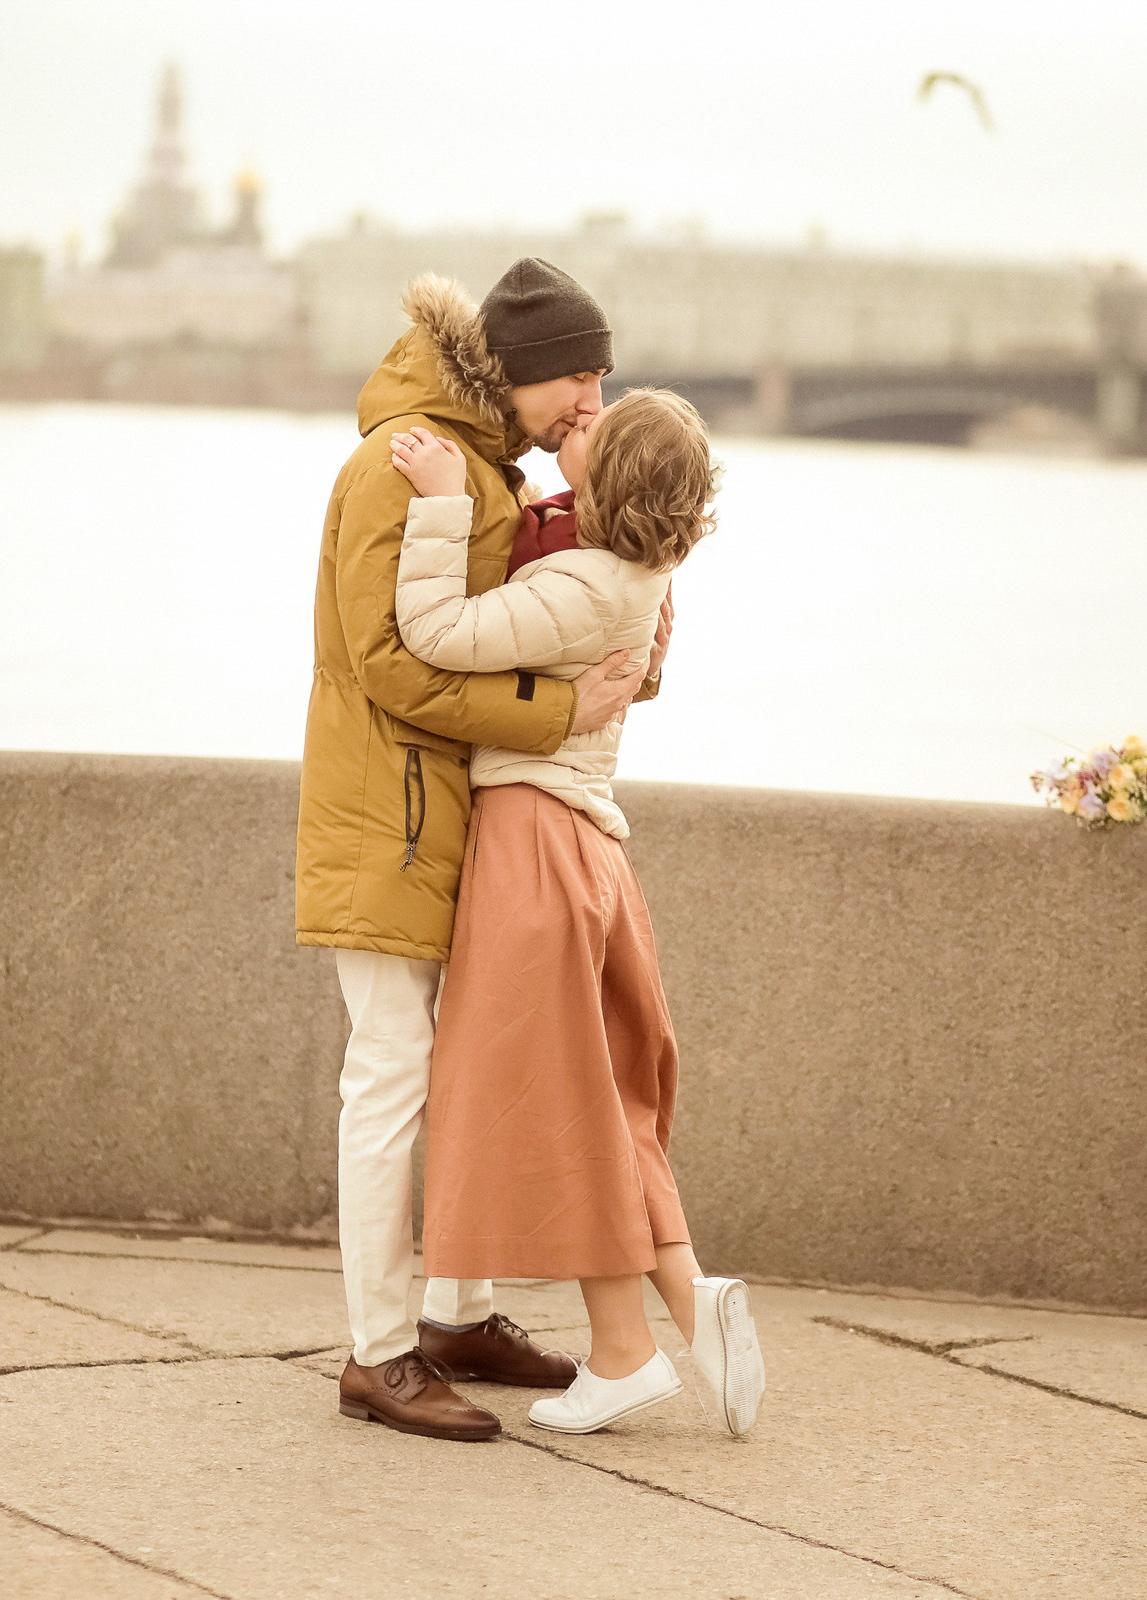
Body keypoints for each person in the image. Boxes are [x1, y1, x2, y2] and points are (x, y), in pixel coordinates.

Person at [297, 258, 648, 1444]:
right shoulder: (399, 462)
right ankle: (378, 1354)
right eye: (582, 379)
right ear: (524, 373)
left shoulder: (482, 466)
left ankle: (457, 1316)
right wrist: (560, 713)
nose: (591, 405)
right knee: (389, 1075)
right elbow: (391, 662)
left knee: (457, 1072)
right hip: (389, 816)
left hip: (443, 813)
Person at [383, 388, 766, 1438]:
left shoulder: (579, 582)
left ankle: (627, 1350)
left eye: (599, 426)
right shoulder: (642, 574)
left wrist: (442, 504)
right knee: (607, 1097)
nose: (575, 425)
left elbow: (433, 630)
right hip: (586, 844)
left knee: (555, 1100)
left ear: (615, 478)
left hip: (532, 842)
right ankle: (689, 1306)